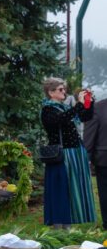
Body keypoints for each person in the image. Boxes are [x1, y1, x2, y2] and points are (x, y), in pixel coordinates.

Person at [41, 77, 96, 229]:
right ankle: (59, 226)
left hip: (74, 154)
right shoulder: (47, 109)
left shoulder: (64, 108)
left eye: (64, 89)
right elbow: (60, 120)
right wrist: (78, 104)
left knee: (73, 189)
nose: (64, 91)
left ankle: (69, 223)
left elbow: (86, 116)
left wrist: (88, 102)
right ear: (51, 92)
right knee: (61, 189)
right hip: (61, 156)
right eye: (60, 89)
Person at [83, 98, 107, 230]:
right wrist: (86, 157)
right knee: (105, 194)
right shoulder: (98, 107)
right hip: (104, 159)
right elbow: (89, 134)